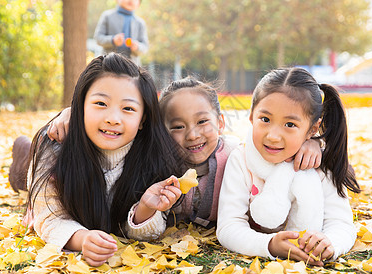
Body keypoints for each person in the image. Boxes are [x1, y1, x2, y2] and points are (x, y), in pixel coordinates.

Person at [41, 77, 323, 231]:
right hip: (47, 159)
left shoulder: (238, 155)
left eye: (202, 122)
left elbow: (280, 141)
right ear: (161, 131)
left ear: (220, 123)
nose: (192, 135)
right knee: (25, 171)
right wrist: (69, 115)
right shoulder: (155, 161)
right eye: (177, 127)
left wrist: (314, 144)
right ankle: (23, 153)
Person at [24, 53, 184, 267]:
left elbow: (138, 230)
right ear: (80, 106)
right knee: (23, 178)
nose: (113, 119)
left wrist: (145, 208)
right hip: (39, 170)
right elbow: (49, 217)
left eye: (128, 108)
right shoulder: (55, 146)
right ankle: (22, 151)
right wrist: (81, 239)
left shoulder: (152, 154)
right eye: (101, 103)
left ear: (143, 119)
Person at [217, 67, 360, 266]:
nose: (273, 136)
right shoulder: (241, 160)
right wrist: (269, 245)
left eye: (290, 124)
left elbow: (341, 224)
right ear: (251, 117)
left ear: (312, 129)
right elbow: (228, 226)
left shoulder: (320, 165)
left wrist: (330, 243)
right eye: (265, 120)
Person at [94, 0, 148, 65]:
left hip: (132, 66)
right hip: (108, 63)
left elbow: (145, 46)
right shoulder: (107, 16)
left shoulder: (140, 23)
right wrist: (112, 40)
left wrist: (137, 46)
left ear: (139, 4)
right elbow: (98, 38)